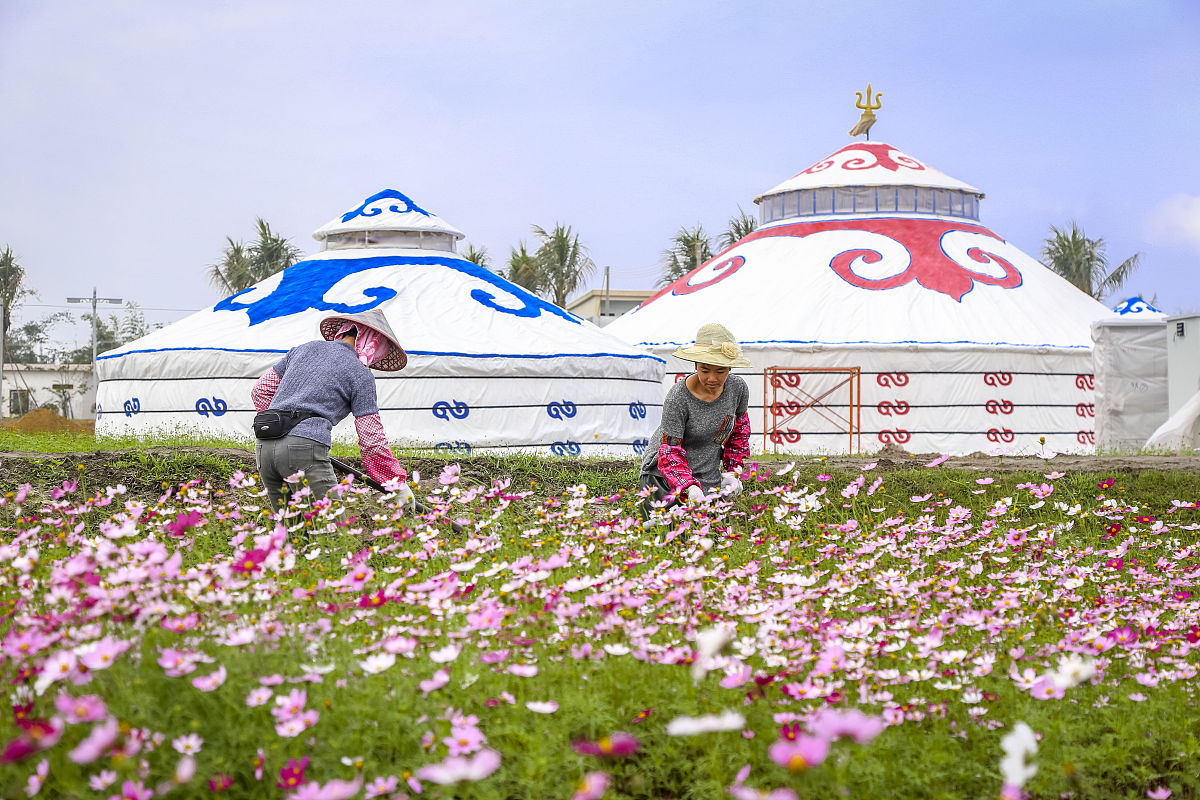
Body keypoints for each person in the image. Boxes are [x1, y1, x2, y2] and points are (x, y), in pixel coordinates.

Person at [250, 309, 414, 513]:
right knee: (331, 534)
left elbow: (260, 391)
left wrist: (283, 425)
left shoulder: (302, 349)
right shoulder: (360, 374)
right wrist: (396, 483)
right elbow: (371, 440)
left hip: (264, 447)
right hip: (303, 449)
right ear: (373, 343)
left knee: (293, 534)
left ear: (343, 332)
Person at [639, 322, 751, 517]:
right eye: (705, 370)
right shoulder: (678, 398)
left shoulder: (738, 389)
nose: (712, 378)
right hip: (664, 477)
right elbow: (670, 451)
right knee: (670, 539)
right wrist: (689, 487)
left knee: (712, 541)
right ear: (695, 365)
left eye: (720, 371)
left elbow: (739, 433)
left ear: (730, 368)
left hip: (708, 474)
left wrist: (732, 472)